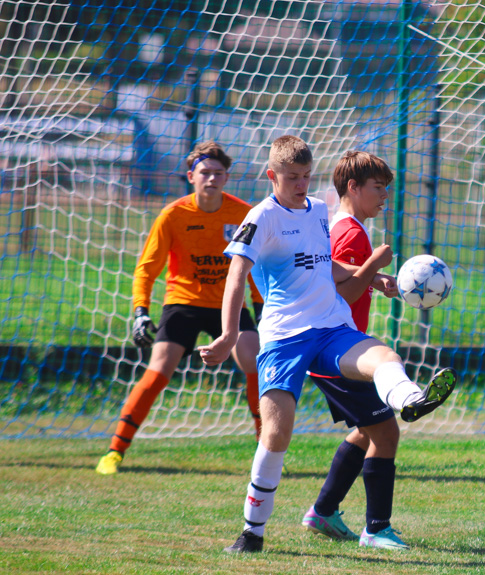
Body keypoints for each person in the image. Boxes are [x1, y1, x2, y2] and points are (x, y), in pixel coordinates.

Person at [197, 135, 457, 553]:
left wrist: (371, 277)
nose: (301, 184)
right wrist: (229, 335)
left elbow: (325, 264)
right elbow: (235, 275)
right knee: (277, 434)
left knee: (383, 355)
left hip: (331, 327)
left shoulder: (319, 210)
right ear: (272, 176)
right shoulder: (260, 217)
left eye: (305, 176)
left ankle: (411, 399)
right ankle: (252, 532)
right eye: (292, 178)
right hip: (284, 337)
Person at [95, 141, 264, 475]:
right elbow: (147, 268)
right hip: (182, 303)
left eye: (218, 173)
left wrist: (261, 308)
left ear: (226, 177)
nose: (211, 179)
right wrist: (140, 311)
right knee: (159, 369)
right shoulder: (172, 215)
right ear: (191, 176)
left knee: (254, 362)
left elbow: (255, 265)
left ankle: (267, 452)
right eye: (205, 172)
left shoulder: (243, 214)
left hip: (228, 304)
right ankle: (115, 451)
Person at [300, 150, 408, 549]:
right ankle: (377, 529)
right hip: (336, 349)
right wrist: (374, 263)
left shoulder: (345, 226)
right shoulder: (352, 233)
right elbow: (341, 291)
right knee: (386, 431)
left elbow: (339, 275)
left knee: (368, 430)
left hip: (335, 346)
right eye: (378, 188)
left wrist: (374, 277)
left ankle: (323, 511)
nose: (384, 197)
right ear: (353, 187)